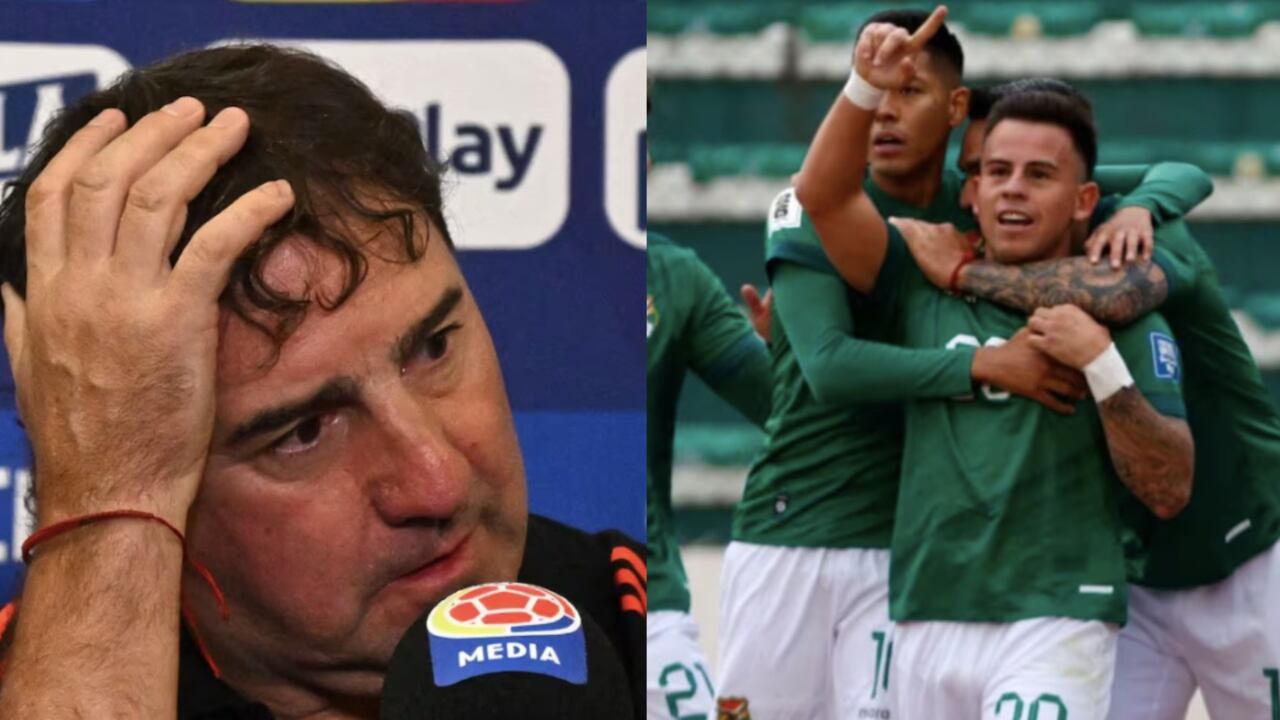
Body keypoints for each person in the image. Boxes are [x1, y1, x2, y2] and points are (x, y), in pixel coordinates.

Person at [0, 44, 643, 719]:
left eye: (433, 348)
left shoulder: (644, 630)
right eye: (304, 431)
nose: (438, 482)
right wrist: (107, 508)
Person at [714, 8, 1210, 720]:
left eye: (909, 92)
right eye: (996, 172)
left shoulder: (982, 213)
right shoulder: (890, 246)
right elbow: (827, 362)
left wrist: (1145, 209)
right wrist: (986, 365)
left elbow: (1168, 178)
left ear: (954, 112)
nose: (1011, 187)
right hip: (805, 522)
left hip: (920, 555)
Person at [906, 81, 1280, 720]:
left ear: (1082, 190)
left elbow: (1116, 288)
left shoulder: (1142, 235)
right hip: (1130, 586)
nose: (990, 191)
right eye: (983, 171)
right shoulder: (989, 237)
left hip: (1248, 554)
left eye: (1034, 172)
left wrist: (964, 272)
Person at [646, 230, 770, 720]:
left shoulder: (671, 275)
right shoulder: (476, 262)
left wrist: (798, 347)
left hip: (647, 602)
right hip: (506, 603)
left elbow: (785, 406)